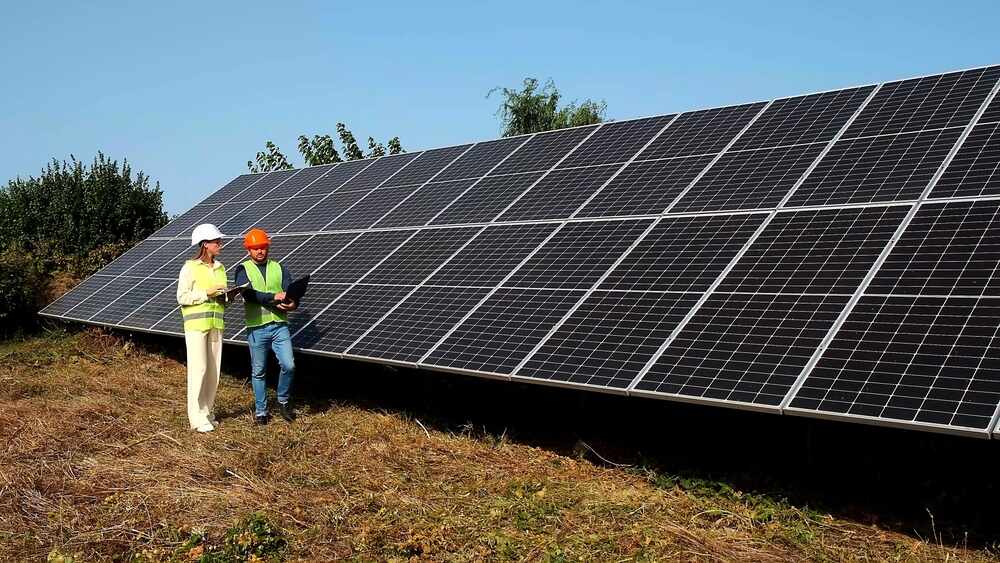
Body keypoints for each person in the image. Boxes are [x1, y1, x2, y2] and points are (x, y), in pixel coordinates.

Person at [233, 228, 298, 425]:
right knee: (258, 371)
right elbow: (249, 295)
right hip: (257, 327)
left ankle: (283, 401)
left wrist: (294, 303)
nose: (260, 251)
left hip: (279, 325)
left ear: (267, 247)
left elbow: (290, 292)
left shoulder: (280, 268)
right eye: (255, 248)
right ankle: (261, 411)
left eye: (262, 247)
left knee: (289, 365)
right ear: (248, 250)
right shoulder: (242, 270)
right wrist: (273, 298)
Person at [177, 223, 229, 433]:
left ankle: (208, 412)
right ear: (205, 244)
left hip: (216, 324)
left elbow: (220, 295)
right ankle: (196, 418)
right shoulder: (190, 267)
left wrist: (228, 295)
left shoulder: (220, 267)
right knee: (199, 370)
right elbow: (182, 297)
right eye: (217, 241)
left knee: (213, 371)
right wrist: (206, 293)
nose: (220, 244)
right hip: (196, 326)